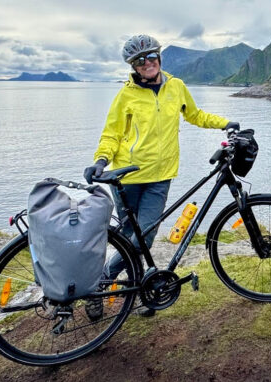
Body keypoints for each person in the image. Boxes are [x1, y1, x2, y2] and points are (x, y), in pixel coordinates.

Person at [84, 34, 238, 317]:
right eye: (139, 61)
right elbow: (112, 133)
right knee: (132, 238)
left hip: (161, 175)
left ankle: (117, 284)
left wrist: (225, 123)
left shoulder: (176, 86)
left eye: (151, 57)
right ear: (134, 66)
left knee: (146, 236)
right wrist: (101, 160)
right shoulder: (126, 95)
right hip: (128, 176)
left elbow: (195, 115)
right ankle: (108, 285)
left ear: (159, 58)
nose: (147, 63)